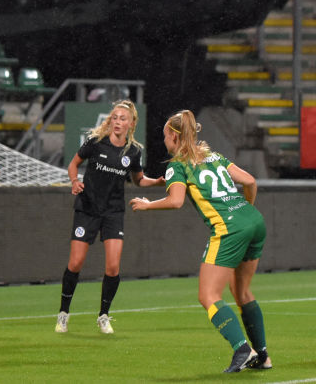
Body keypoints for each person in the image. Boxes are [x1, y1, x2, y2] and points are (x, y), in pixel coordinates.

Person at [130, 110, 270, 373]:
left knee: (208, 295)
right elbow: (250, 181)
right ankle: (262, 356)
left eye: (164, 136)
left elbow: (176, 201)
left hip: (230, 229)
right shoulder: (214, 156)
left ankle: (243, 348)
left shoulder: (178, 165)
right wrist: (245, 210)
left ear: (173, 135)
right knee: (242, 293)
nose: (164, 141)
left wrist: (148, 205)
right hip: (254, 221)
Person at [55, 100, 163, 334]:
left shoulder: (134, 151)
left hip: (113, 211)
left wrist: (155, 181)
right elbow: (74, 164)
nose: (117, 122)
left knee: (113, 267)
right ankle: (63, 312)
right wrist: (74, 182)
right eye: (115, 117)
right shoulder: (95, 142)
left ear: (131, 123)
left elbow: (138, 180)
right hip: (87, 208)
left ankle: (103, 315)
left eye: (123, 119)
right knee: (75, 263)